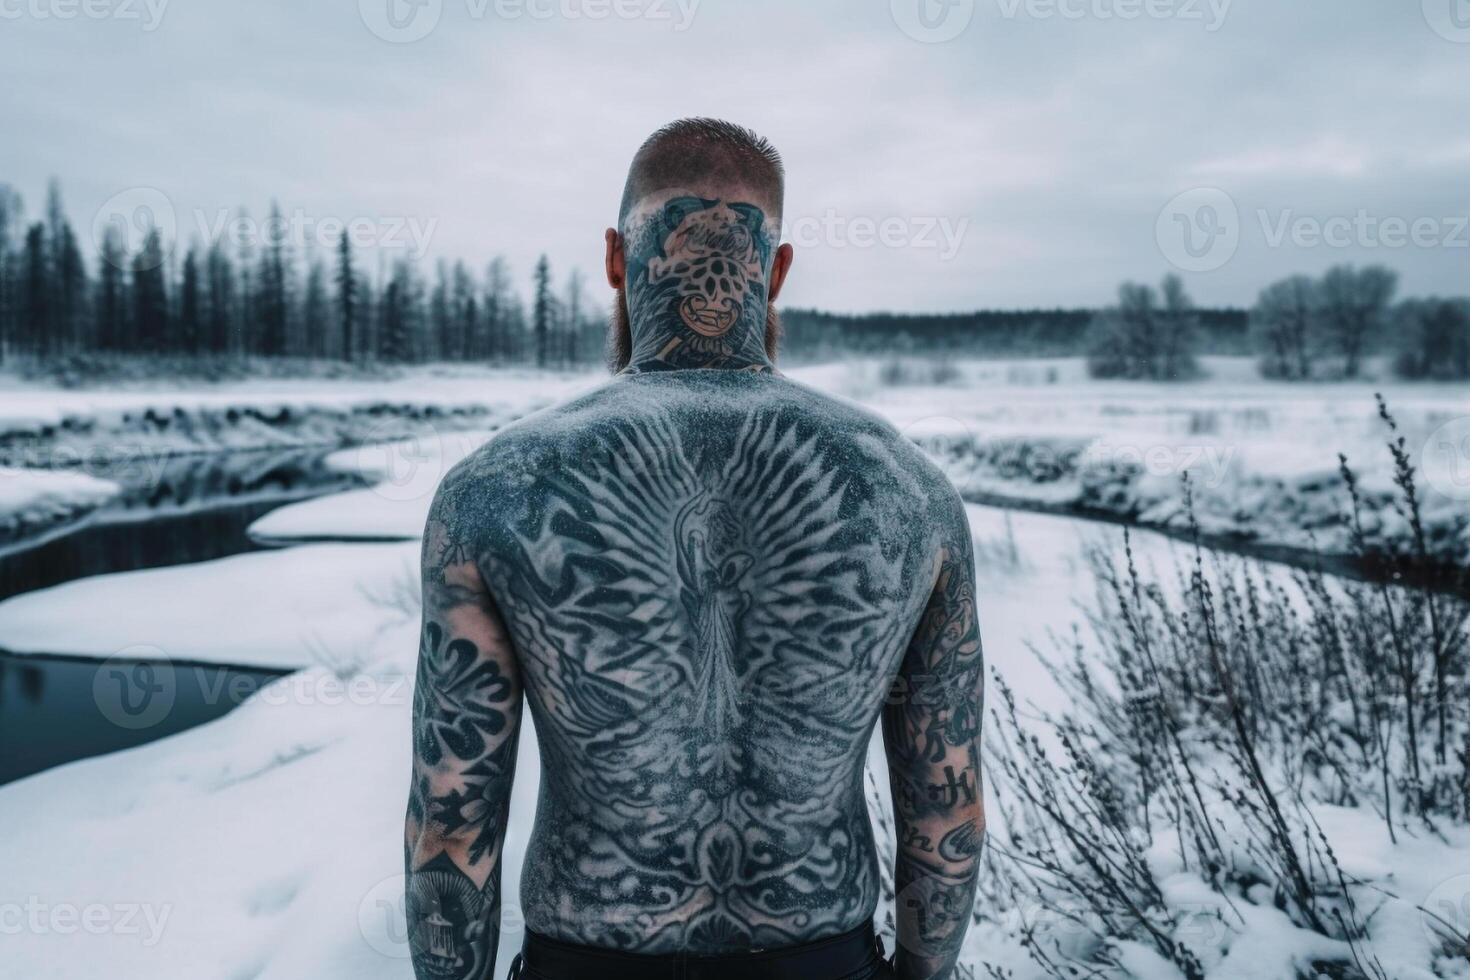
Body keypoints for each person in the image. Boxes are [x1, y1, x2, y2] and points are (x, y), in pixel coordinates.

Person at [404, 118, 985, 980]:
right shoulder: (910, 493)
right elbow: (947, 810)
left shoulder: (496, 491)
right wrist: (920, 975)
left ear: (613, 258)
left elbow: (451, 827)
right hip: (823, 962)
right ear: (779, 273)